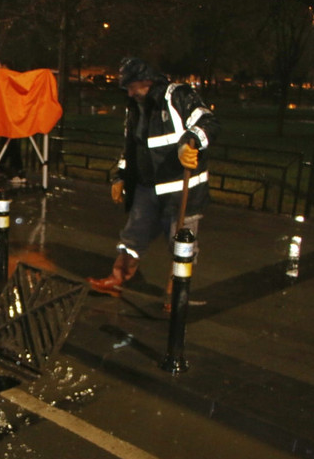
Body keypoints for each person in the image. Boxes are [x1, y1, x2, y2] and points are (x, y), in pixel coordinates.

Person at [87, 57, 220, 305]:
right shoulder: (136, 108)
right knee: (133, 237)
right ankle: (118, 276)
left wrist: (189, 142)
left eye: (132, 86)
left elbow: (208, 122)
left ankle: (176, 295)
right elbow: (132, 148)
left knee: (181, 245)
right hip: (147, 189)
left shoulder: (178, 96)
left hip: (182, 190)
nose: (129, 92)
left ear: (147, 81)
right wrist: (120, 177)